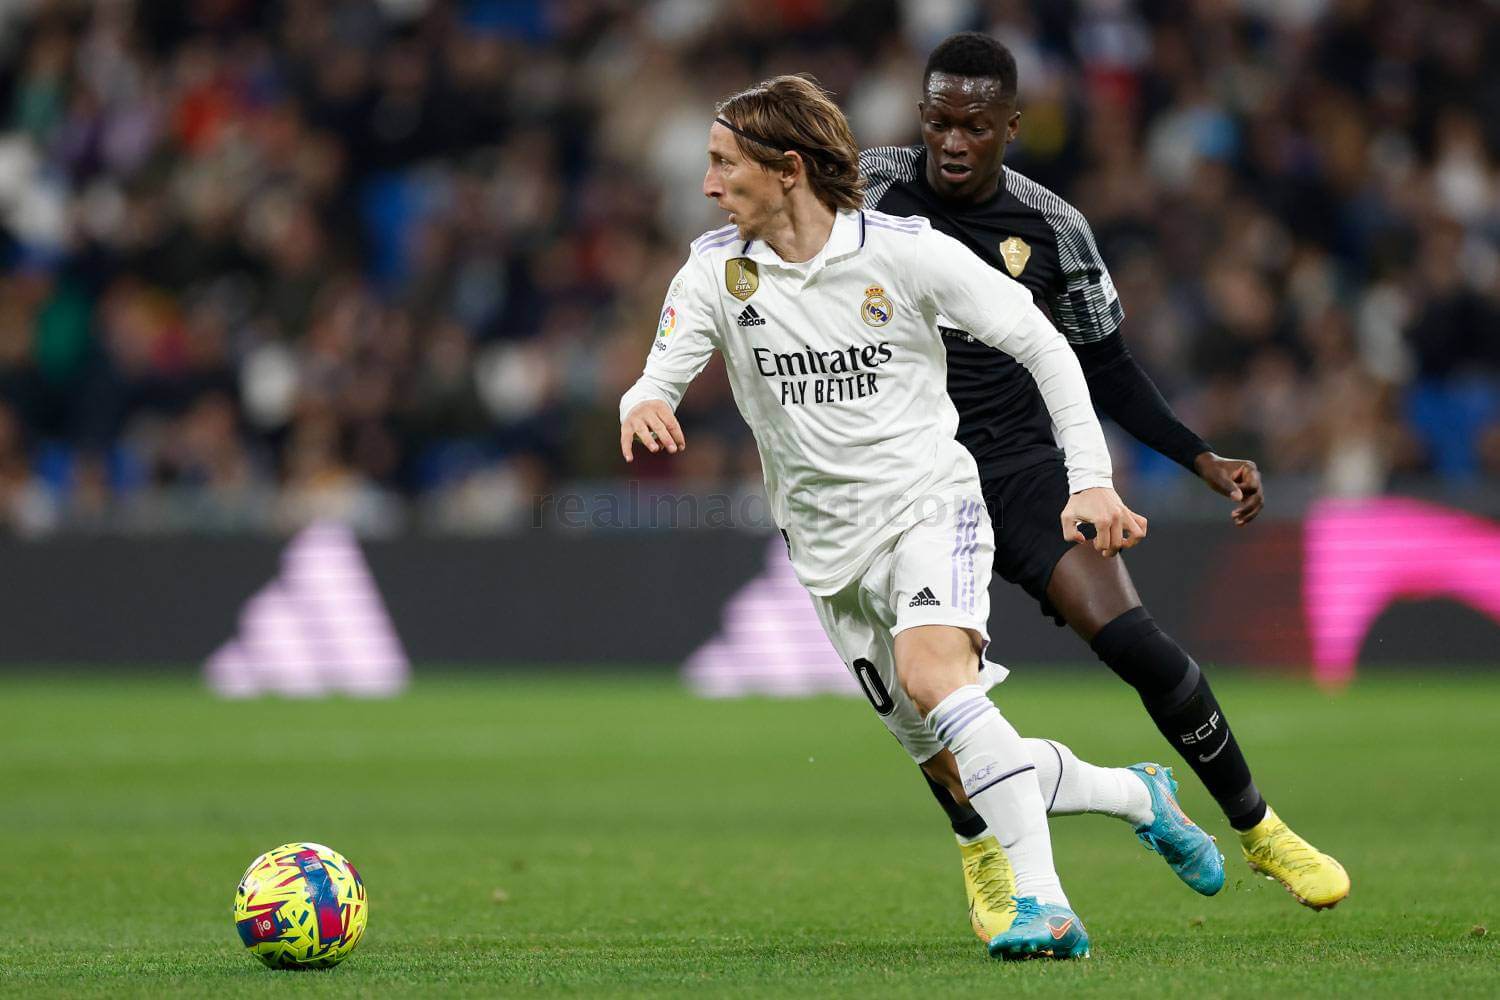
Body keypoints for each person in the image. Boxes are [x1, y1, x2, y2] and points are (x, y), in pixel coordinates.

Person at [618, 74, 1217, 961]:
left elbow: (1044, 344)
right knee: (949, 757)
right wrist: (641, 400)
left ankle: (1046, 906)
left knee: (937, 674)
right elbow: (658, 373)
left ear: (787, 169)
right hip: (826, 551)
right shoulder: (715, 270)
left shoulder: (904, 253)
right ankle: (1137, 795)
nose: (708, 185)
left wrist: (1089, 480)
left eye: (722, 165)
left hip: (930, 505)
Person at [859, 31, 1350, 931]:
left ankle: (1260, 826)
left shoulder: (1054, 225)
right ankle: (983, 853)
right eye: (937, 123)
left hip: (1020, 472)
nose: (952, 143)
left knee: (1137, 644)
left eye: (974, 126)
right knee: (928, 698)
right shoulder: (865, 186)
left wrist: (1203, 458)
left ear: (1013, 125)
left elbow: (1110, 368)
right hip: (905, 481)